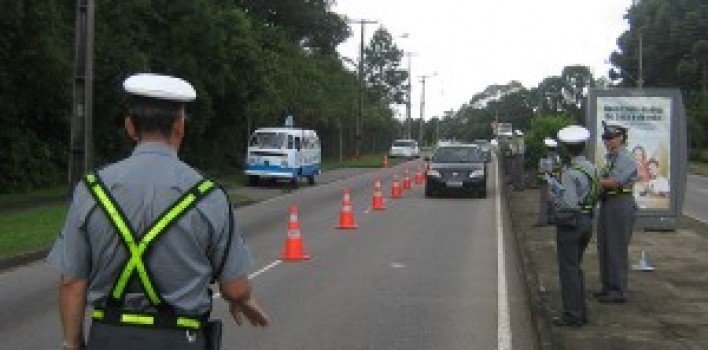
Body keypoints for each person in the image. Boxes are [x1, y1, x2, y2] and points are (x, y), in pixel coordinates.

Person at [47, 73, 269, 350]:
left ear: (130, 127)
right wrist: (243, 301)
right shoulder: (209, 196)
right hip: (180, 340)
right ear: (180, 127)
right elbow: (234, 288)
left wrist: (73, 343)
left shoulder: (91, 190)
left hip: (109, 338)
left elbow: (72, 282)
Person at [546, 125, 598, 327]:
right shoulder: (591, 168)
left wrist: (555, 194)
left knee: (568, 270)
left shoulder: (570, 173)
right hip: (587, 220)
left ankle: (573, 315)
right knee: (576, 267)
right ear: (583, 147)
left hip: (572, 223)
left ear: (566, 149)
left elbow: (569, 203)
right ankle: (580, 311)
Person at [595, 121, 638, 304]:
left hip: (621, 202)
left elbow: (614, 182)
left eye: (611, 138)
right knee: (604, 246)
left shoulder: (625, 158)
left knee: (616, 247)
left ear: (620, 138)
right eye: (605, 138)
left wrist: (591, 178)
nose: (607, 141)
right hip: (608, 202)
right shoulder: (611, 158)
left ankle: (618, 290)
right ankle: (607, 287)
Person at [535, 137, 561, 226]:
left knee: (544, 201)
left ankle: (542, 221)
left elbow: (542, 170)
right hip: (554, 181)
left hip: (546, 181)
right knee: (552, 200)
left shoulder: (544, 158)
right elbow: (558, 170)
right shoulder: (557, 157)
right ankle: (552, 219)